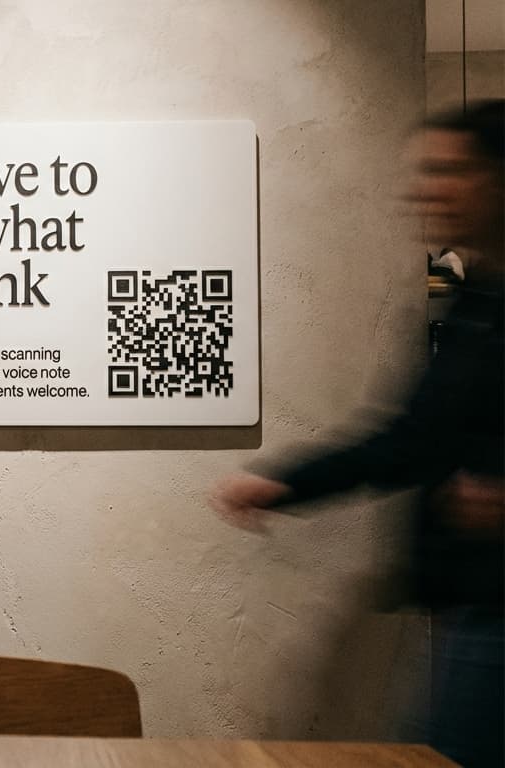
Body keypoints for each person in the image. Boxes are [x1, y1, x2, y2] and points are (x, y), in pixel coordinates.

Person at [211, 101, 503, 767]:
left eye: (446, 170)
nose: (422, 189)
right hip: (471, 605)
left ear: (498, 178)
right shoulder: (478, 298)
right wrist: (283, 481)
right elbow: (415, 438)